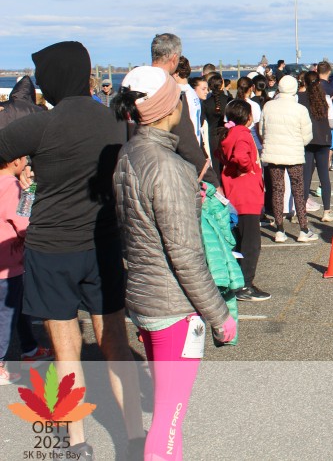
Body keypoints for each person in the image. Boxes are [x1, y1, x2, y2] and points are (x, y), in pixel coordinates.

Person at [0, 41, 143, 457]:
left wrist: (24, 174)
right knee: (115, 344)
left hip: (51, 248)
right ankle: (134, 437)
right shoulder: (115, 121)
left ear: (53, 78)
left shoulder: (41, 124)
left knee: (67, 353)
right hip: (103, 243)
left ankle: (77, 443)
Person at [112, 66, 236, 461]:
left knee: (168, 410)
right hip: (172, 306)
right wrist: (219, 315)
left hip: (144, 295)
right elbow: (185, 254)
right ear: (169, 108)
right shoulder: (170, 167)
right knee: (169, 414)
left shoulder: (128, 154)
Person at [0, 154, 52, 385]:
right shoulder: (11, 186)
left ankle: (30, 348)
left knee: (19, 306)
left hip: (6, 263)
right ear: (15, 161)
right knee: (6, 314)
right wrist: (30, 190)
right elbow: (23, 222)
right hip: (8, 265)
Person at [151, 33, 221, 187]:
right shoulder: (187, 93)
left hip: (169, 160)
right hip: (185, 157)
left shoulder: (177, 93)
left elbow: (184, 134)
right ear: (174, 58)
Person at [219, 100, 271, 301]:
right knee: (251, 244)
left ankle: (238, 281)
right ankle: (245, 284)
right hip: (246, 195)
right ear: (248, 117)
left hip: (235, 193)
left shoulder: (229, 133)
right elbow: (241, 157)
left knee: (239, 242)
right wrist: (246, 167)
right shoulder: (242, 133)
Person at [260, 75, 316, 243]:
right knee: (298, 190)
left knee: (277, 190)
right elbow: (307, 136)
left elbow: (262, 130)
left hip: (273, 153)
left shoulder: (268, 106)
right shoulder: (300, 109)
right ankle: (303, 229)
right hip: (294, 154)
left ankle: (279, 229)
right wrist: (297, 143)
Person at [298, 71, 333, 223]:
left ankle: (301, 212)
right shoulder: (325, 99)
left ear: (304, 83)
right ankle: (326, 211)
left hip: (306, 140)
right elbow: (332, 123)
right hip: (323, 139)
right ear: (319, 83)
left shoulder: (299, 98)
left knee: (306, 176)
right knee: (324, 176)